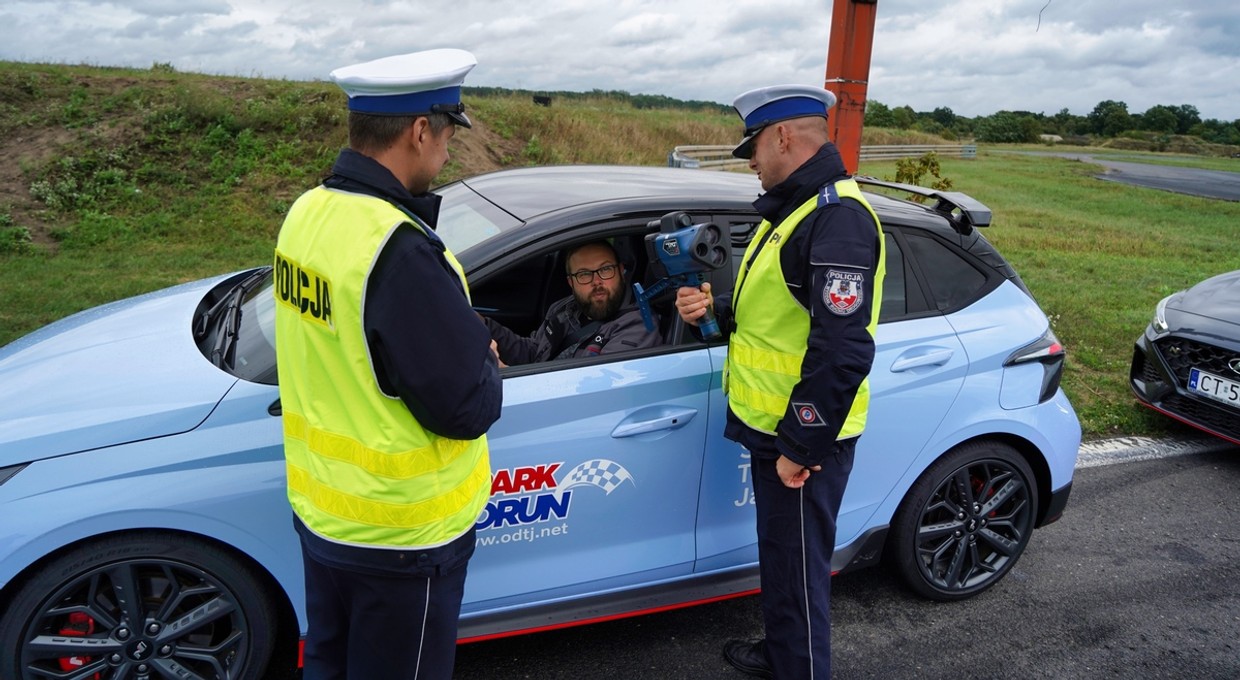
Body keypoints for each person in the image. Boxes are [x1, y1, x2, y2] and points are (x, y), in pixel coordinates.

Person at [272, 49, 502, 680]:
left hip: (325, 516)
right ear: (420, 130)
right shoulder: (399, 250)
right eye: (450, 132)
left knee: (329, 661)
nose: (450, 150)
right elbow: (466, 408)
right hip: (403, 538)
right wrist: (481, 356)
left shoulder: (308, 212)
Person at [675, 84, 886, 679]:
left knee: (799, 573)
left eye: (753, 148)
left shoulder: (836, 219)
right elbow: (781, 317)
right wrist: (713, 307)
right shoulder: (796, 210)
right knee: (784, 561)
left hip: (801, 440)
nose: (750, 162)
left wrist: (801, 442)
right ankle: (781, 653)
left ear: (783, 137)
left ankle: (799, 666)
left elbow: (842, 348)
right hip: (775, 431)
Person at [483, 239, 662, 365]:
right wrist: (483, 325)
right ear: (571, 282)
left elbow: (590, 389)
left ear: (621, 271)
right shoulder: (563, 308)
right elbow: (535, 352)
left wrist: (501, 371)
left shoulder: (639, 325)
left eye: (606, 269)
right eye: (584, 274)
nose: (597, 281)